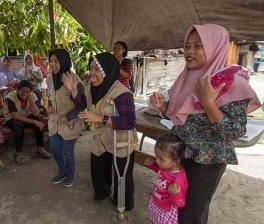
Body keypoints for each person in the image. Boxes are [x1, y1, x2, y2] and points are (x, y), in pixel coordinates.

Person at [149, 24, 261, 224]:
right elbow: (185, 119)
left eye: (198, 46)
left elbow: (234, 131)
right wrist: (164, 108)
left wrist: (209, 102)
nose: (190, 52)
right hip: (182, 154)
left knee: (190, 215)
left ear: (214, 48)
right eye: (187, 46)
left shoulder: (232, 83)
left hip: (208, 161)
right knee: (181, 203)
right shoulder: (187, 78)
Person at [73, 52, 137, 211]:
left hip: (120, 139)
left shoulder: (122, 94)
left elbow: (129, 121)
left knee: (122, 174)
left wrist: (100, 118)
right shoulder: (91, 88)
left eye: (97, 69)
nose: (92, 73)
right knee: (98, 168)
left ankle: (123, 202)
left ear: (108, 70)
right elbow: (82, 103)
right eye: (91, 69)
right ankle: (102, 193)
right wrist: (73, 91)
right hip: (100, 138)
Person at [47, 48, 86, 187]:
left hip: (70, 123)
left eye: (56, 61)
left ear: (63, 61)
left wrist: (69, 117)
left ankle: (70, 174)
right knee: (55, 148)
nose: (53, 64)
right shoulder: (49, 78)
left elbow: (83, 104)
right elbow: (50, 95)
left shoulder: (75, 80)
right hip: (54, 122)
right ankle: (62, 171)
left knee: (67, 150)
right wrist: (49, 105)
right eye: (51, 61)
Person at [3, 80, 52, 164]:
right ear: (18, 89)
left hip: (25, 115)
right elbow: (16, 116)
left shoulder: (32, 96)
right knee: (18, 124)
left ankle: (40, 148)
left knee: (38, 120)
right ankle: (18, 153)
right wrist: (33, 121)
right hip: (11, 118)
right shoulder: (10, 96)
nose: (24, 93)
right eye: (22, 91)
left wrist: (30, 98)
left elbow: (36, 113)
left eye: (27, 91)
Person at [144, 134, 188, 224]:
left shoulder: (178, 179)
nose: (157, 160)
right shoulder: (165, 167)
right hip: (156, 203)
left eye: (161, 159)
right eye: (156, 156)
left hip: (166, 211)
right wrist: (152, 165)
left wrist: (176, 195)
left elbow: (180, 203)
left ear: (175, 161)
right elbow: (161, 172)